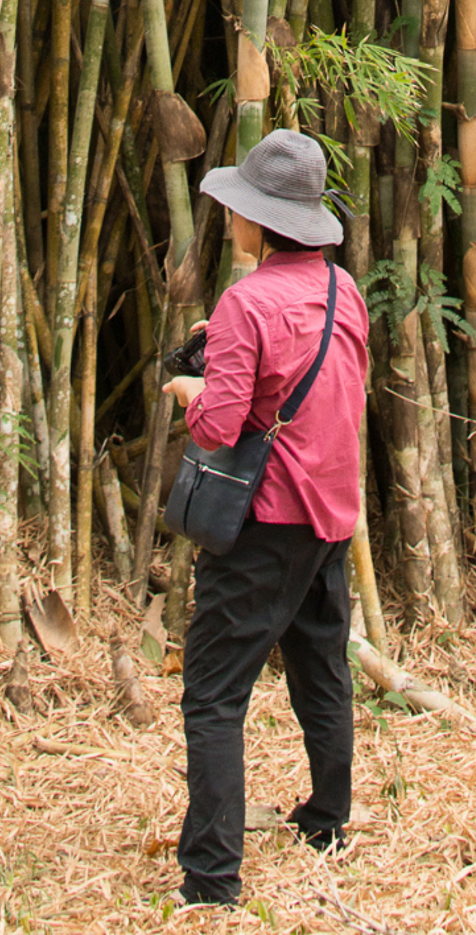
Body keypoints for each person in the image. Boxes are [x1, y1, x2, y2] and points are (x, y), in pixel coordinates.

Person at [159, 129, 371, 909]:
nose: (230, 219)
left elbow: (220, 423)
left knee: (213, 690)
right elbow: (324, 379)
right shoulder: (342, 290)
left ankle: (211, 876)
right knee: (322, 670)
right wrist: (227, 350)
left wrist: (191, 391)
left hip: (266, 518)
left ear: (259, 222)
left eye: (238, 209)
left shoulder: (246, 300)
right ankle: (327, 819)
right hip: (331, 512)